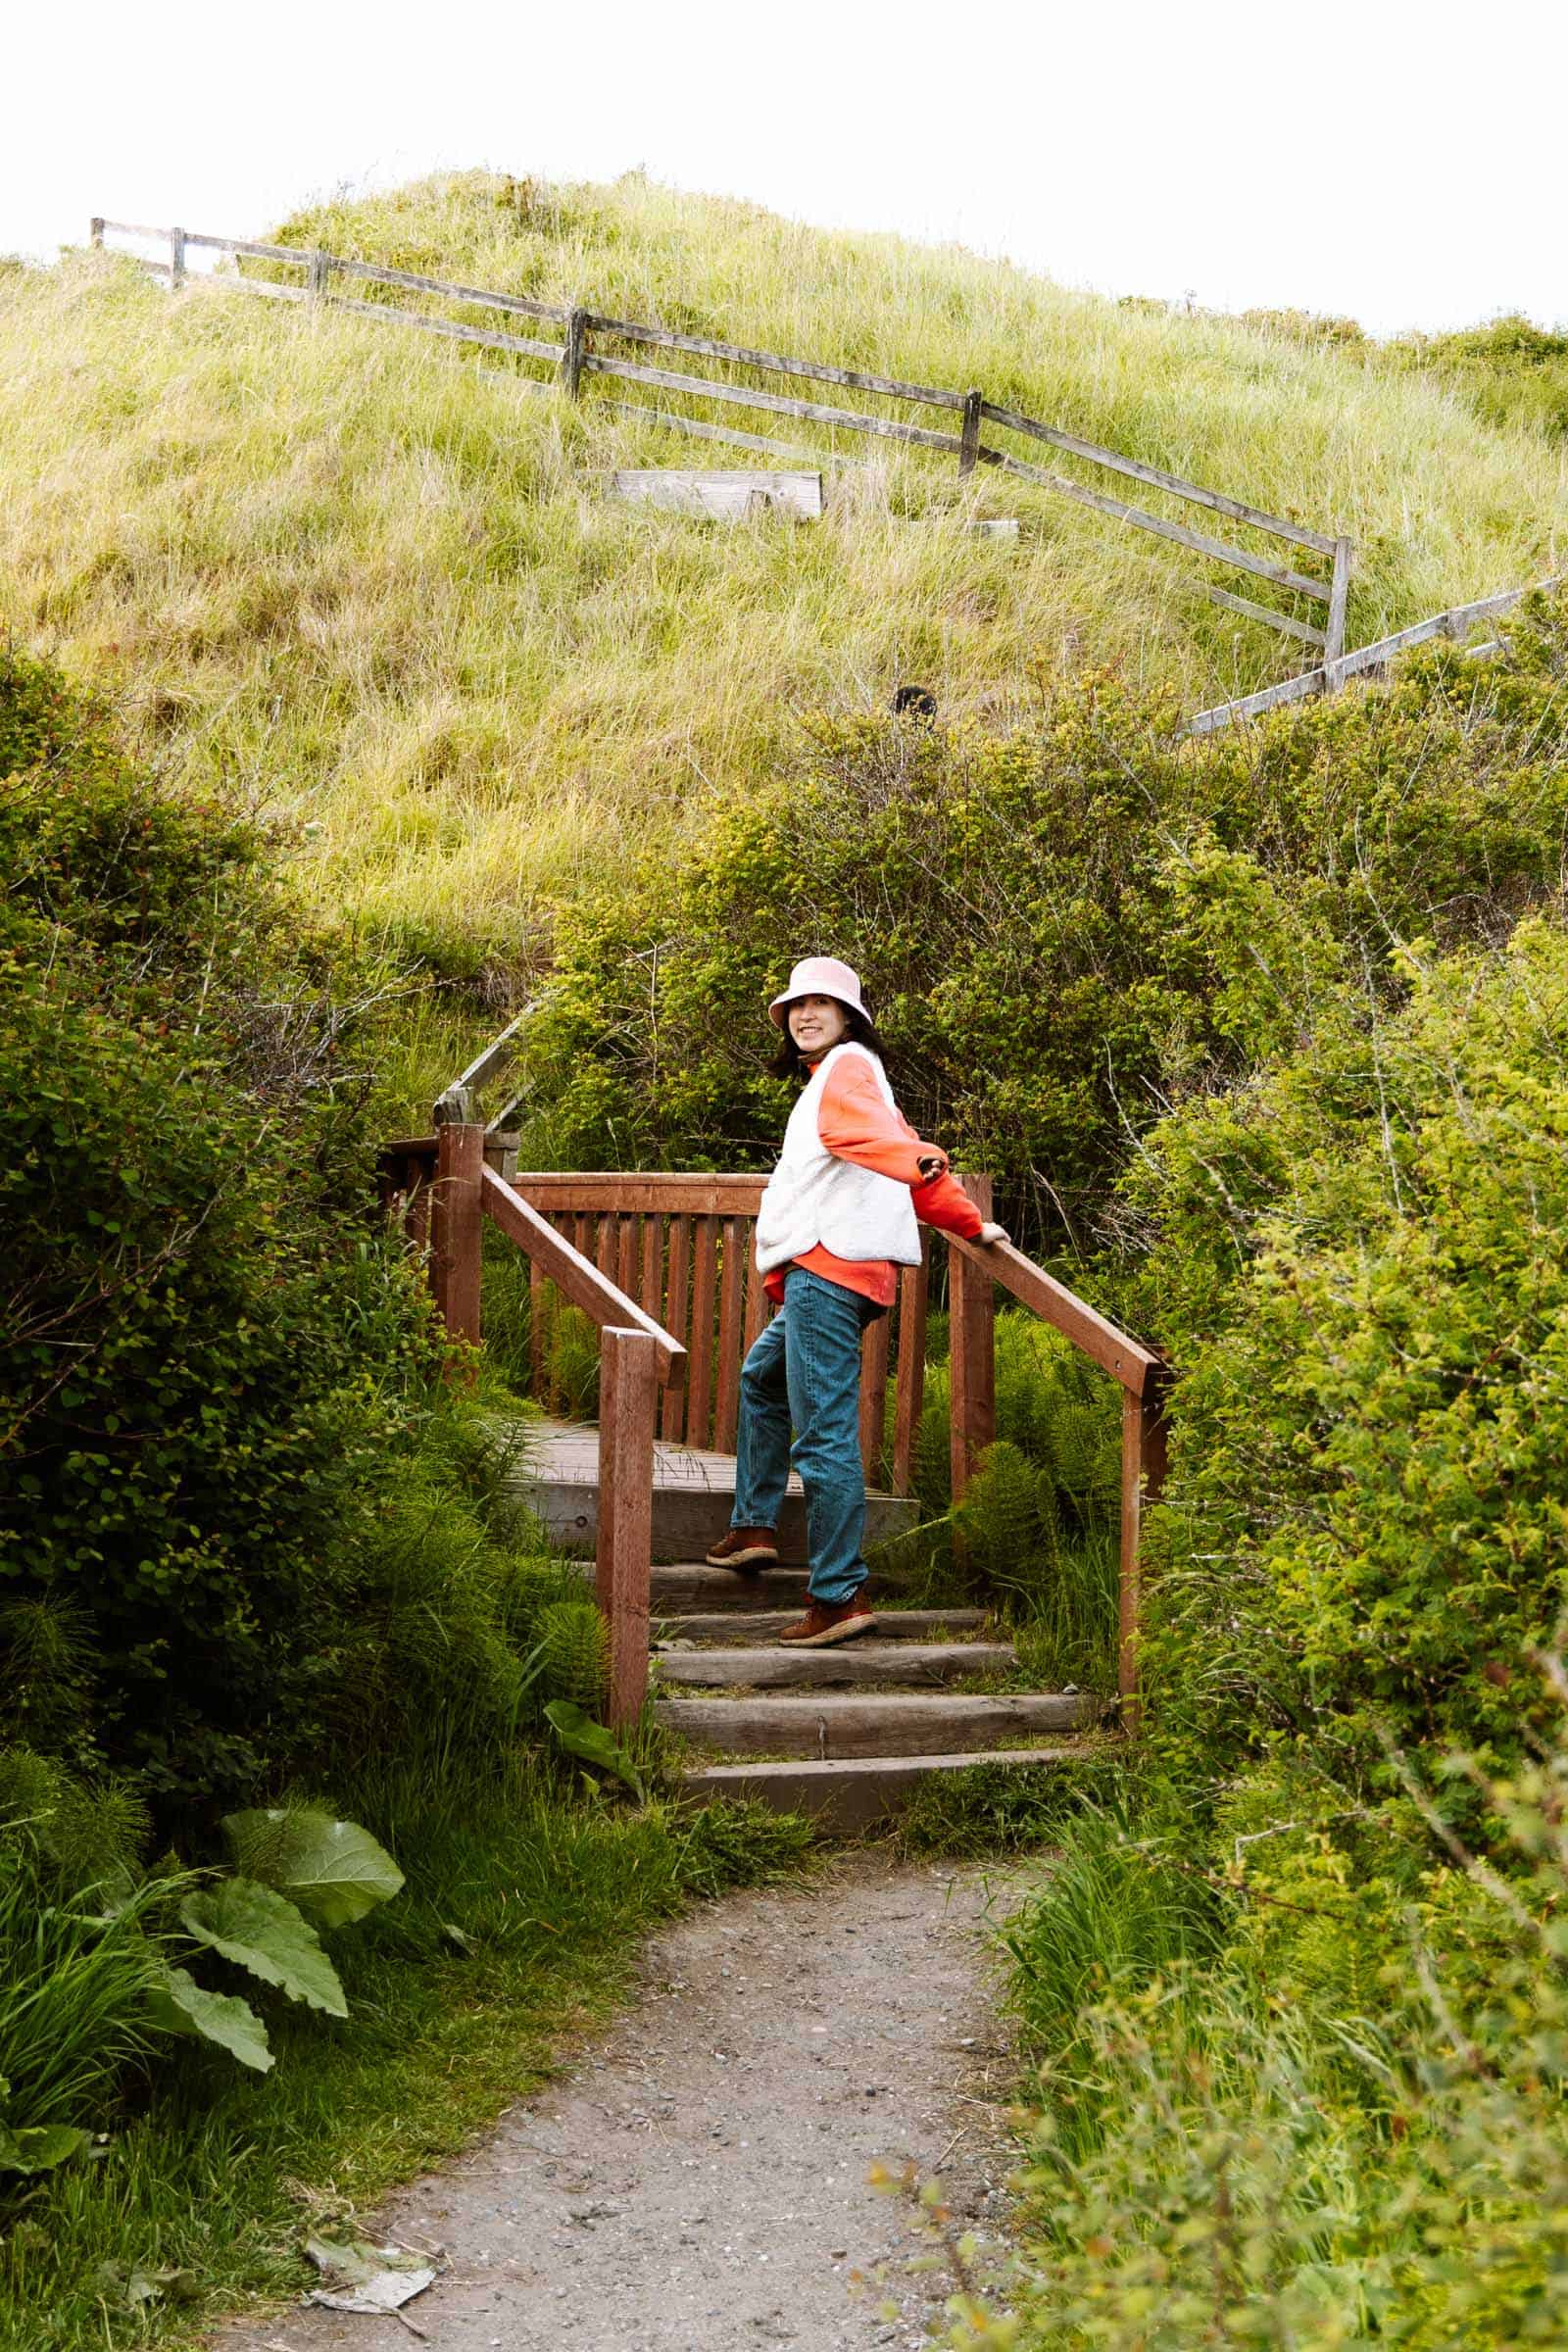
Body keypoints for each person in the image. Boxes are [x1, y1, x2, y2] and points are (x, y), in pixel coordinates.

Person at [705, 956, 1006, 1646]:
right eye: (797, 1006)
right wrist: (966, 1220)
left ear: (849, 1019)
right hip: (833, 1270)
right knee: (762, 1378)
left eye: (823, 1004)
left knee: (824, 1435)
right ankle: (754, 1525)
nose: (807, 1014)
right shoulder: (844, 1080)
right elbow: (890, 1146)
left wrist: (921, 1162)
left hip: (828, 1271)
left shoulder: (846, 1068)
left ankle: (838, 1595)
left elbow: (880, 1144)